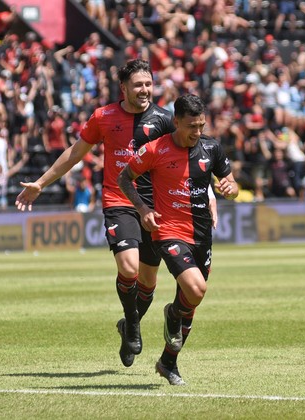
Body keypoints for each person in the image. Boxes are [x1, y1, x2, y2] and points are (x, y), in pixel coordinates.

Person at [15, 59, 180, 369]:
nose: (145, 90)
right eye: (138, 85)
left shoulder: (165, 120)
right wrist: (40, 183)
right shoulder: (103, 117)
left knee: (148, 281)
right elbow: (74, 153)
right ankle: (133, 324)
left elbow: (186, 158)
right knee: (128, 268)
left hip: (154, 207)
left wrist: (208, 193)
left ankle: (127, 324)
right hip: (119, 200)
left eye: (148, 84)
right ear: (123, 88)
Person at [117, 94, 239, 386]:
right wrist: (143, 209)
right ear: (176, 122)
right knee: (196, 289)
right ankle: (172, 314)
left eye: (201, 126)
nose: (197, 132)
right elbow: (124, 178)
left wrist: (230, 188)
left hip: (202, 235)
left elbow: (232, 184)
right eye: (191, 126)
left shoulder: (212, 148)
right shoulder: (155, 149)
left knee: (192, 302)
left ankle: (168, 362)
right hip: (169, 231)